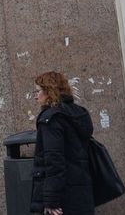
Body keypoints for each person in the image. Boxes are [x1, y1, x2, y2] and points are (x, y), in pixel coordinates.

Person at [31, 70, 95, 215]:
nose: (35, 96)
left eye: (37, 91)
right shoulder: (78, 113)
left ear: (48, 91)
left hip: (63, 198)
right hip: (82, 191)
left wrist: (51, 200)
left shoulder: (51, 119)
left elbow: (54, 161)